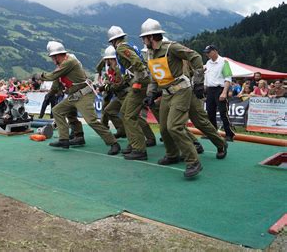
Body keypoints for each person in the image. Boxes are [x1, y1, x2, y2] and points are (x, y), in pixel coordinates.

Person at [141, 18, 203, 178]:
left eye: (144, 37)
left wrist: (198, 81)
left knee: (174, 126)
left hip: (181, 90)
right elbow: (155, 75)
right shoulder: (151, 54)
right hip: (166, 93)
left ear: (151, 37)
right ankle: (172, 154)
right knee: (163, 128)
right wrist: (151, 93)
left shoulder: (172, 47)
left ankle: (193, 161)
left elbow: (195, 56)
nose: (142, 40)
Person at [40, 41, 121, 155]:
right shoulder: (61, 66)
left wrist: (40, 76)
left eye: (52, 57)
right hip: (75, 95)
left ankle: (113, 143)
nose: (52, 60)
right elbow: (56, 82)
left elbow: (53, 76)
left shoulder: (69, 62)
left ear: (56, 56)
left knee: (91, 120)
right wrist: (50, 94)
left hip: (84, 94)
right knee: (57, 111)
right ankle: (67, 139)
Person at [108, 26, 155, 160]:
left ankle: (139, 149)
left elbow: (137, 62)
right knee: (124, 112)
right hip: (139, 82)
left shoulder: (121, 48)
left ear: (113, 41)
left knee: (128, 115)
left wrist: (138, 78)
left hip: (138, 84)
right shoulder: (130, 45)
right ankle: (134, 144)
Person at [203, 45, 236, 142]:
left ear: (215, 51)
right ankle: (213, 134)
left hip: (220, 89)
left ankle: (229, 134)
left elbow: (228, 78)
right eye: (206, 52)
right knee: (210, 113)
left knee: (223, 113)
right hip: (210, 90)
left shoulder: (224, 62)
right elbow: (207, 78)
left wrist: (224, 92)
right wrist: (204, 90)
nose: (207, 54)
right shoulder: (208, 63)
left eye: (208, 52)